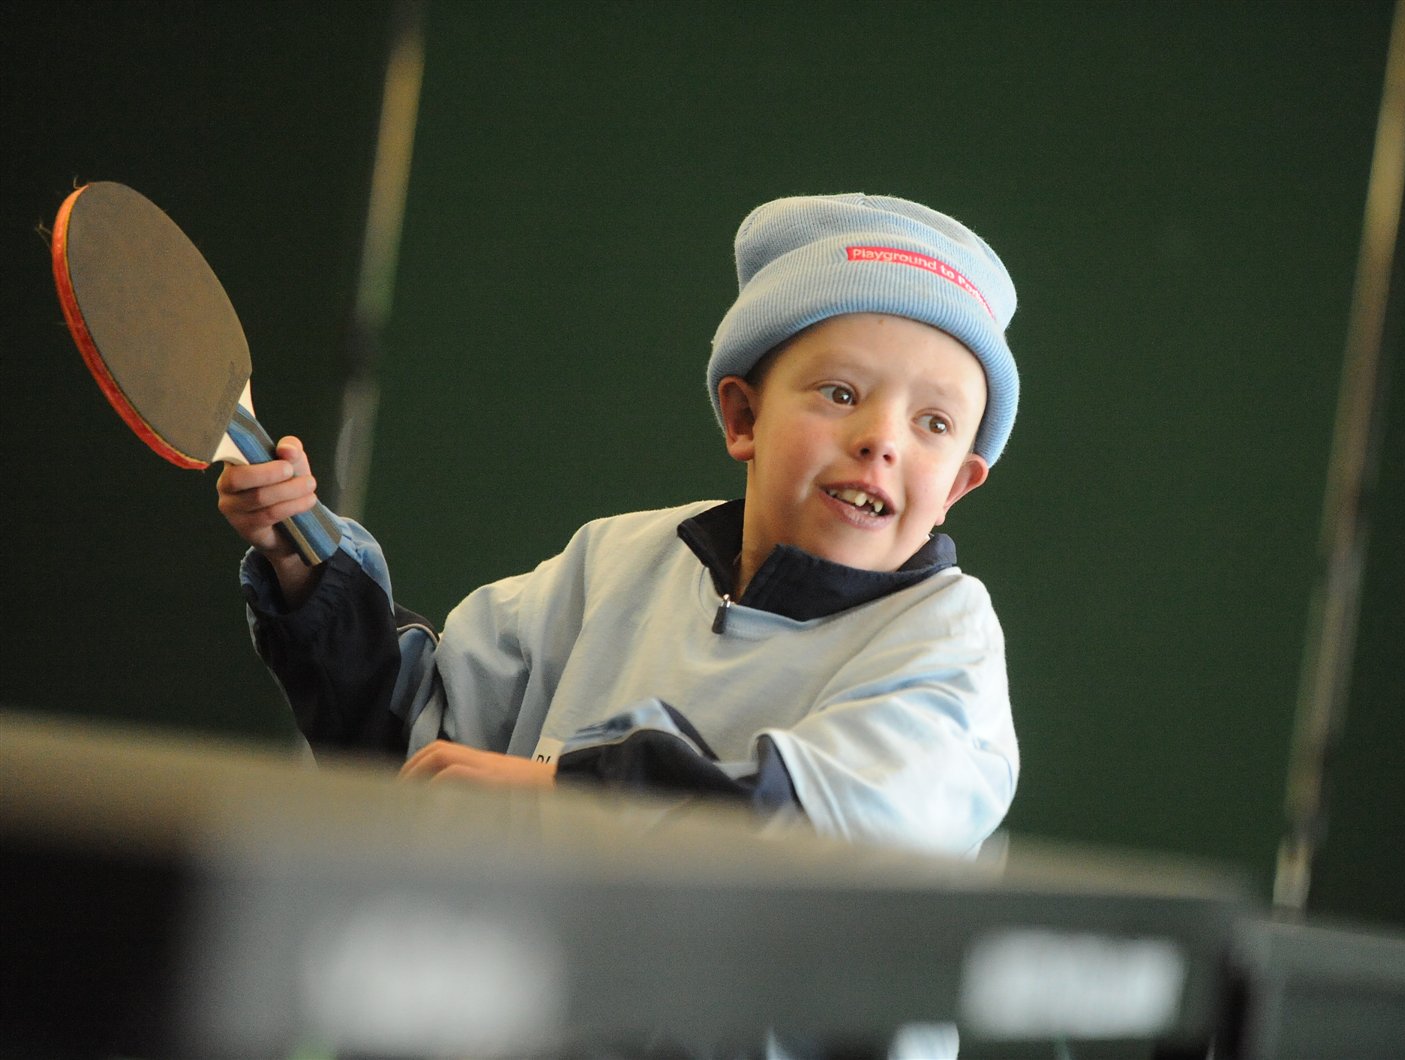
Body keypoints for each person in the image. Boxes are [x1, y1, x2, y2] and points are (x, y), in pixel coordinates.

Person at [218, 193, 1020, 860]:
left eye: (935, 424)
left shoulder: (947, 641)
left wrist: (565, 793)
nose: (882, 439)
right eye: (841, 394)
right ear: (743, 416)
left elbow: (834, 830)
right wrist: (308, 566)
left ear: (959, 486)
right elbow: (414, 749)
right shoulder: (610, 565)